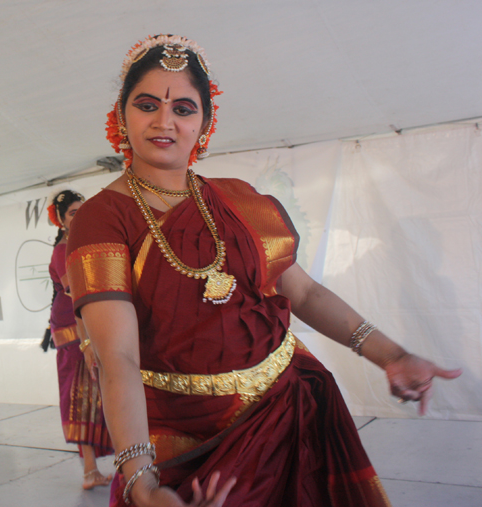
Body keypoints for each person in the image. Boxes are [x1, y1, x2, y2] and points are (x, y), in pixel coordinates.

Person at [66, 35, 462, 507]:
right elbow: (119, 359)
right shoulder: (102, 218)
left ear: (206, 124)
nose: (164, 121)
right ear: (120, 114)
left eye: (185, 109)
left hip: (289, 412)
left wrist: (390, 355)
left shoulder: (240, 200)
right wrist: (140, 481)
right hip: (183, 439)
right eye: (147, 104)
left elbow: (307, 295)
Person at [47, 190, 113, 490]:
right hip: (74, 332)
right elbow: (76, 297)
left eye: (81, 211)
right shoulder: (63, 251)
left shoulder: (78, 245)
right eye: (73, 213)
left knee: (99, 395)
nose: (79, 216)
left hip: (85, 329)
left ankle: (96, 469)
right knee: (83, 397)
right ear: (60, 219)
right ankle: (89, 471)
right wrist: (87, 342)